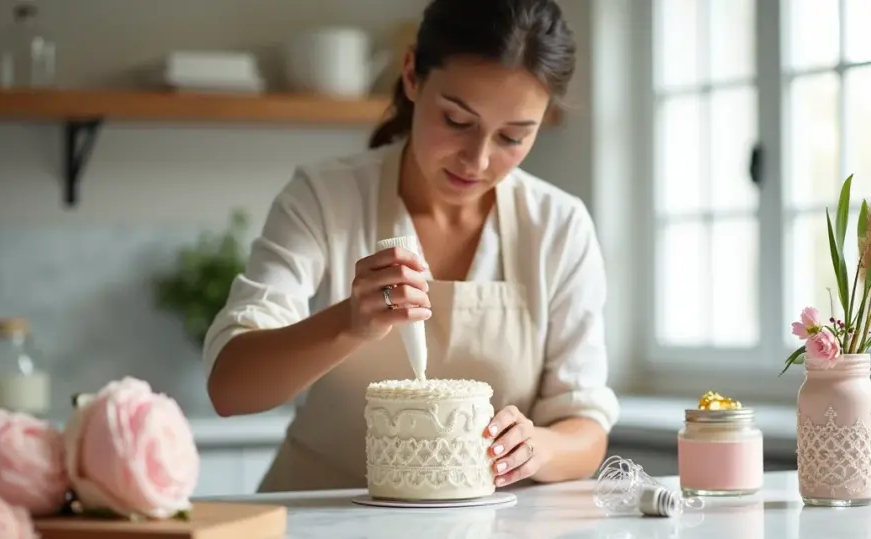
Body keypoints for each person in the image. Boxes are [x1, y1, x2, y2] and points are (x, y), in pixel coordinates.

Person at [202, 0, 620, 493]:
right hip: (318, 516)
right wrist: (347, 322)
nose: (477, 160)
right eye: (457, 121)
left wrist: (537, 448)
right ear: (411, 76)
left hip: (480, 525)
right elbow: (230, 388)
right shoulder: (325, 199)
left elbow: (584, 424)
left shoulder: (557, 226)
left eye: (512, 136)